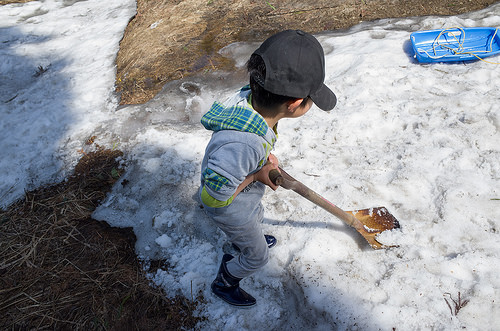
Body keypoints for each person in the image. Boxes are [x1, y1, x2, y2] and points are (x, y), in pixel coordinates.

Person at [199, 29, 336, 307]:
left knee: (256, 214)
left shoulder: (252, 104)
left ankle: (245, 240)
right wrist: (257, 174)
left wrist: (260, 161)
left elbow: (244, 151)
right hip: (229, 207)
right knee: (258, 257)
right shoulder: (243, 143)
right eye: (312, 99)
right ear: (295, 103)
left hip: (244, 200)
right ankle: (226, 279)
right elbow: (212, 197)